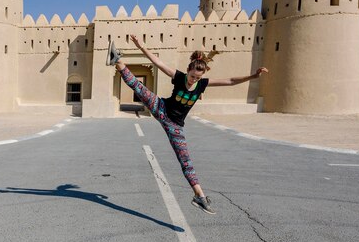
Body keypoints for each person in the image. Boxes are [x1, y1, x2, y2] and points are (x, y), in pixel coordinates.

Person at [106, 34, 268, 214]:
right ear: (188, 71)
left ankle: (199, 196)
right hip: (161, 107)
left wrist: (253, 75)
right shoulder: (179, 76)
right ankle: (117, 61)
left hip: (175, 126)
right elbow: (157, 62)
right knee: (140, 88)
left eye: (197, 78)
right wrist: (140, 45)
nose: (193, 80)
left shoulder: (202, 84)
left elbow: (230, 81)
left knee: (185, 160)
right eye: (192, 76)